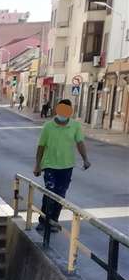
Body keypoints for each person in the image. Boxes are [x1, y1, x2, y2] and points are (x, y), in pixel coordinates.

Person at [33, 99, 91, 233]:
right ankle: (43, 221)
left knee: (60, 195)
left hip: (67, 166)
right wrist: (37, 165)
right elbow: (41, 146)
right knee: (50, 192)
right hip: (49, 165)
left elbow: (80, 143)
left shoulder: (75, 126)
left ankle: (53, 221)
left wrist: (85, 159)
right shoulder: (48, 126)